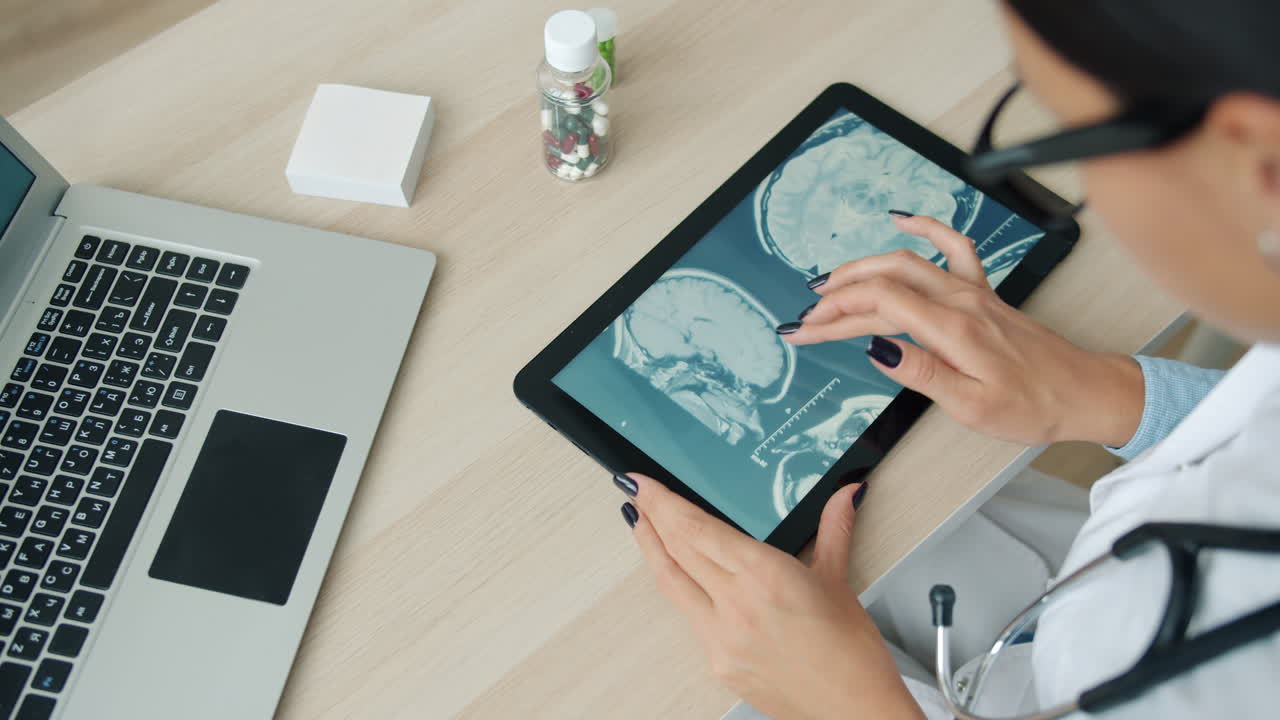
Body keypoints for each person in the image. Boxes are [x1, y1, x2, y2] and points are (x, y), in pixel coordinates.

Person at [609, 1, 1280, 717]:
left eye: (1064, 134)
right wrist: (1106, 394)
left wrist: (854, 705)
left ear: (1258, 157)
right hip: (1042, 625)